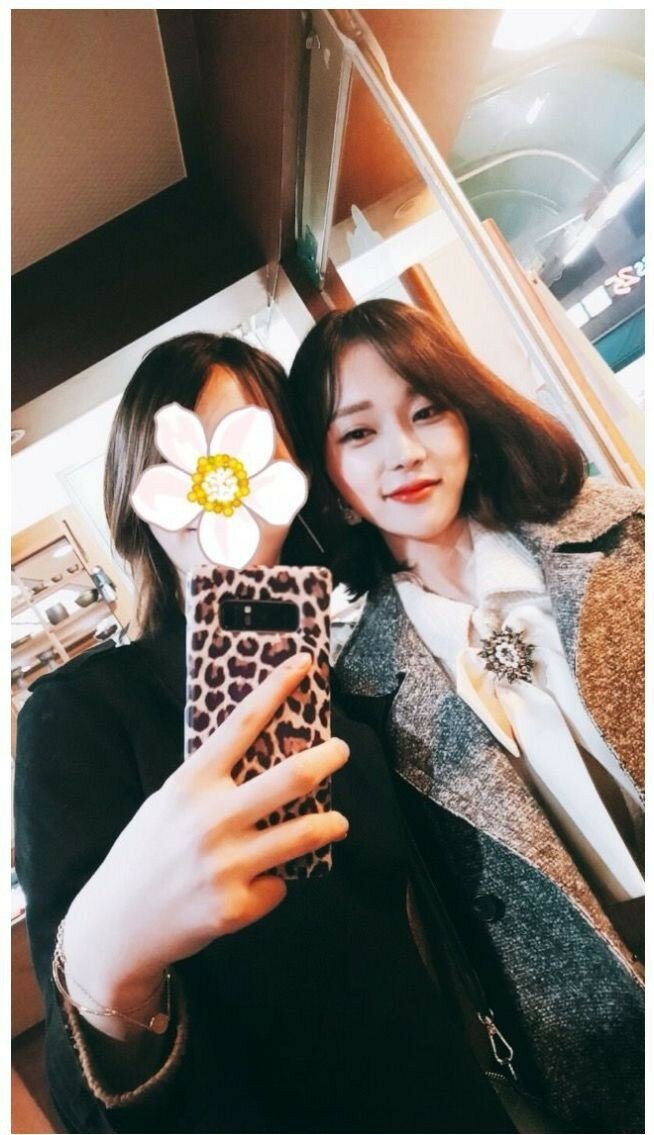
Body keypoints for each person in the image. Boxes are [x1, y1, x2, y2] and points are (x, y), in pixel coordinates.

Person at [14, 332, 515, 1135]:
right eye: (188, 457)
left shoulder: (351, 678)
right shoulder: (81, 713)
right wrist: (112, 957)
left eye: (253, 452)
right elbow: (82, 1101)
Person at [286, 298, 645, 1135]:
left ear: (468, 416)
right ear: (329, 484)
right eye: (359, 432)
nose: (405, 452)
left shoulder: (624, 535)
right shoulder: (357, 695)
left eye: (426, 410)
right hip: (603, 1061)